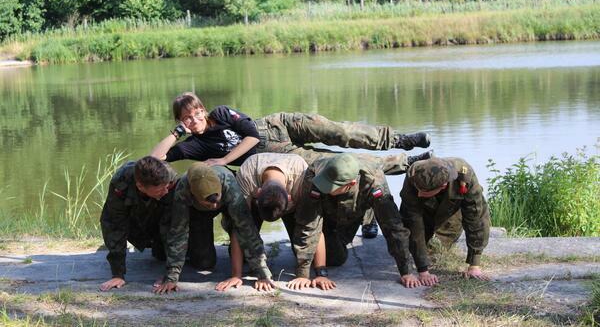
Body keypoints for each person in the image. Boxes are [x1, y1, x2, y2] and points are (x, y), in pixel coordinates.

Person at [150, 92, 430, 167]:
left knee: (342, 132)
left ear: (203, 108)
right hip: (278, 156)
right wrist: (176, 134)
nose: (195, 118)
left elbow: (252, 134)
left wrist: (223, 160)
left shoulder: (221, 113)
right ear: (182, 120)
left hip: (280, 126)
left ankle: (400, 139)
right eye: (187, 117)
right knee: (338, 162)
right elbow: (155, 160)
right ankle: (406, 163)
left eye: (197, 111)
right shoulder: (194, 146)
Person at [282, 153, 417, 290]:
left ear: (350, 184)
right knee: (305, 249)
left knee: (336, 258)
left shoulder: (373, 181)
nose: (324, 187)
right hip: (327, 207)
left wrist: (406, 271)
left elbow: (393, 226)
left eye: (330, 186)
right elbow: (309, 222)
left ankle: (370, 212)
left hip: (354, 206)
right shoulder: (315, 173)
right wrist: (303, 274)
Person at [152, 162, 275, 294]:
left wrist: (263, 274)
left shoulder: (229, 184)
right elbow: (179, 232)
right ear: (193, 194)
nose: (215, 206)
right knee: (204, 262)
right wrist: (171, 277)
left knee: (245, 247)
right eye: (210, 203)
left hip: (228, 204)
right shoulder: (183, 190)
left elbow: (247, 229)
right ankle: (165, 250)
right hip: (199, 212)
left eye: (217, 201)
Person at [399, 157, 491, 287]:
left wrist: (474, 265)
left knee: (440, 245)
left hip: (451, 210)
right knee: (409, 244)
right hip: (425, 210)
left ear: (443, 186)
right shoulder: (414, 173)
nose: (419, 194)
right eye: (418, 189)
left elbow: (476, 218)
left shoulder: (465, 176)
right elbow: (414, 222)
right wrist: (423, 271)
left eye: (424, 192)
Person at [99, 156, 177, 292]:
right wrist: (118, 274)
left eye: (166, 187)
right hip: (137, 216)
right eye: (160, 189)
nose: (165, 191)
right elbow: (115, 224)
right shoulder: (121, 182)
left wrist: (171, 276)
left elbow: (175, 225)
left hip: (161, 216)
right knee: (113, 220)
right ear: (140, 186)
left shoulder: (171, 179)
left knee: (161, 255)